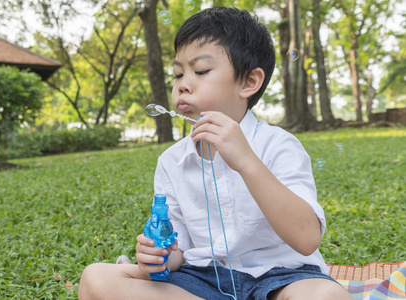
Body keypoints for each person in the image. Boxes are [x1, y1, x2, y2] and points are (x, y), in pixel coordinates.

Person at [78, 7, 352, 300]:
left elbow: (307, 238)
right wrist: (159, 256)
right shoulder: (171, 161)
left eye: (201, 71)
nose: (183, 84)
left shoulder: (278, 145)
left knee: (325, 296)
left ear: (248, 82)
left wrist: (246, 161)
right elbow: (178, 251)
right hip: (203, 280)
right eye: (178, 74)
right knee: (96, 279)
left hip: (281, 278)